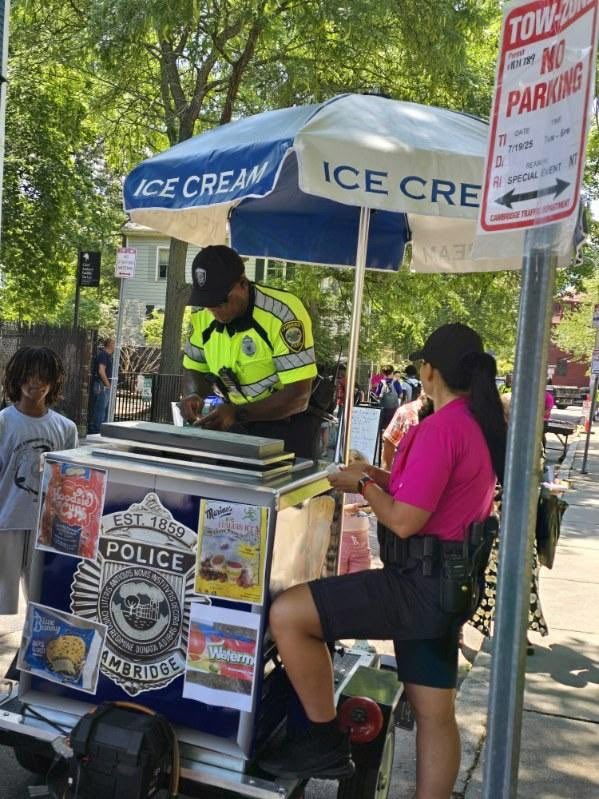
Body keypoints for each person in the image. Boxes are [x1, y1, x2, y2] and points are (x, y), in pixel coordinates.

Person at [258, 323, 506, 797]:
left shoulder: (441, 428)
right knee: (435, 715)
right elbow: (426, 494)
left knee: (288, 614)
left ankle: (321, 738)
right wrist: (372, 472)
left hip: (414, 587)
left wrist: (362, 487)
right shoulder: (475, 425)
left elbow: (406, 520)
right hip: (444, 589)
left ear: (430, 371)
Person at [180, 246, 320, 459]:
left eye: (221, 300)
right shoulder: (202, 314)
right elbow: (194, 367)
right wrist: (193, 394)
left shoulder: (283, 312)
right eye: (208, 302)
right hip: (237, 422)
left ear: (243, 284)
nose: (214, 310)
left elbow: (298, 396)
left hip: (286, 427)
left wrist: (237, 413)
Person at [0, 347, 78, 614]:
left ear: (54, 380)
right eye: (29, 375)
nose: (36, 382)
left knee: (42, 601)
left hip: (47, 528)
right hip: (5, 521)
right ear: (16, 378)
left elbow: (71, 483)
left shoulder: (66, 428)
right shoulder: (3, 423)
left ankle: (29, 649)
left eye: (44, 376)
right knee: (2, 599)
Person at [338, 450, 371, 575]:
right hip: (343, 540)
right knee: (339, 583)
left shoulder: (366, 487)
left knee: (360, 581)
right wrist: (348, 508)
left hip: (362, 542)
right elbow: (333, 509)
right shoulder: (341, 486)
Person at [381, 393, 432, 470]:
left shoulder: (450, 414)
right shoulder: (406, 411)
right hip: (409, 474)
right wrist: (387, 472)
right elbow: (389, 441)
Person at [88, 337, 115, 434]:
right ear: (110, 345)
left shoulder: (107, 356)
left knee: (103, 408)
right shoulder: (103, 355)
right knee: (100, 408)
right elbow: (101, 370)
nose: (116, 346)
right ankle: (96, 429)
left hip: (103, 385)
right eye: (114, 343)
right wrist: (107, 384)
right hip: (101, 385)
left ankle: (100, 429)